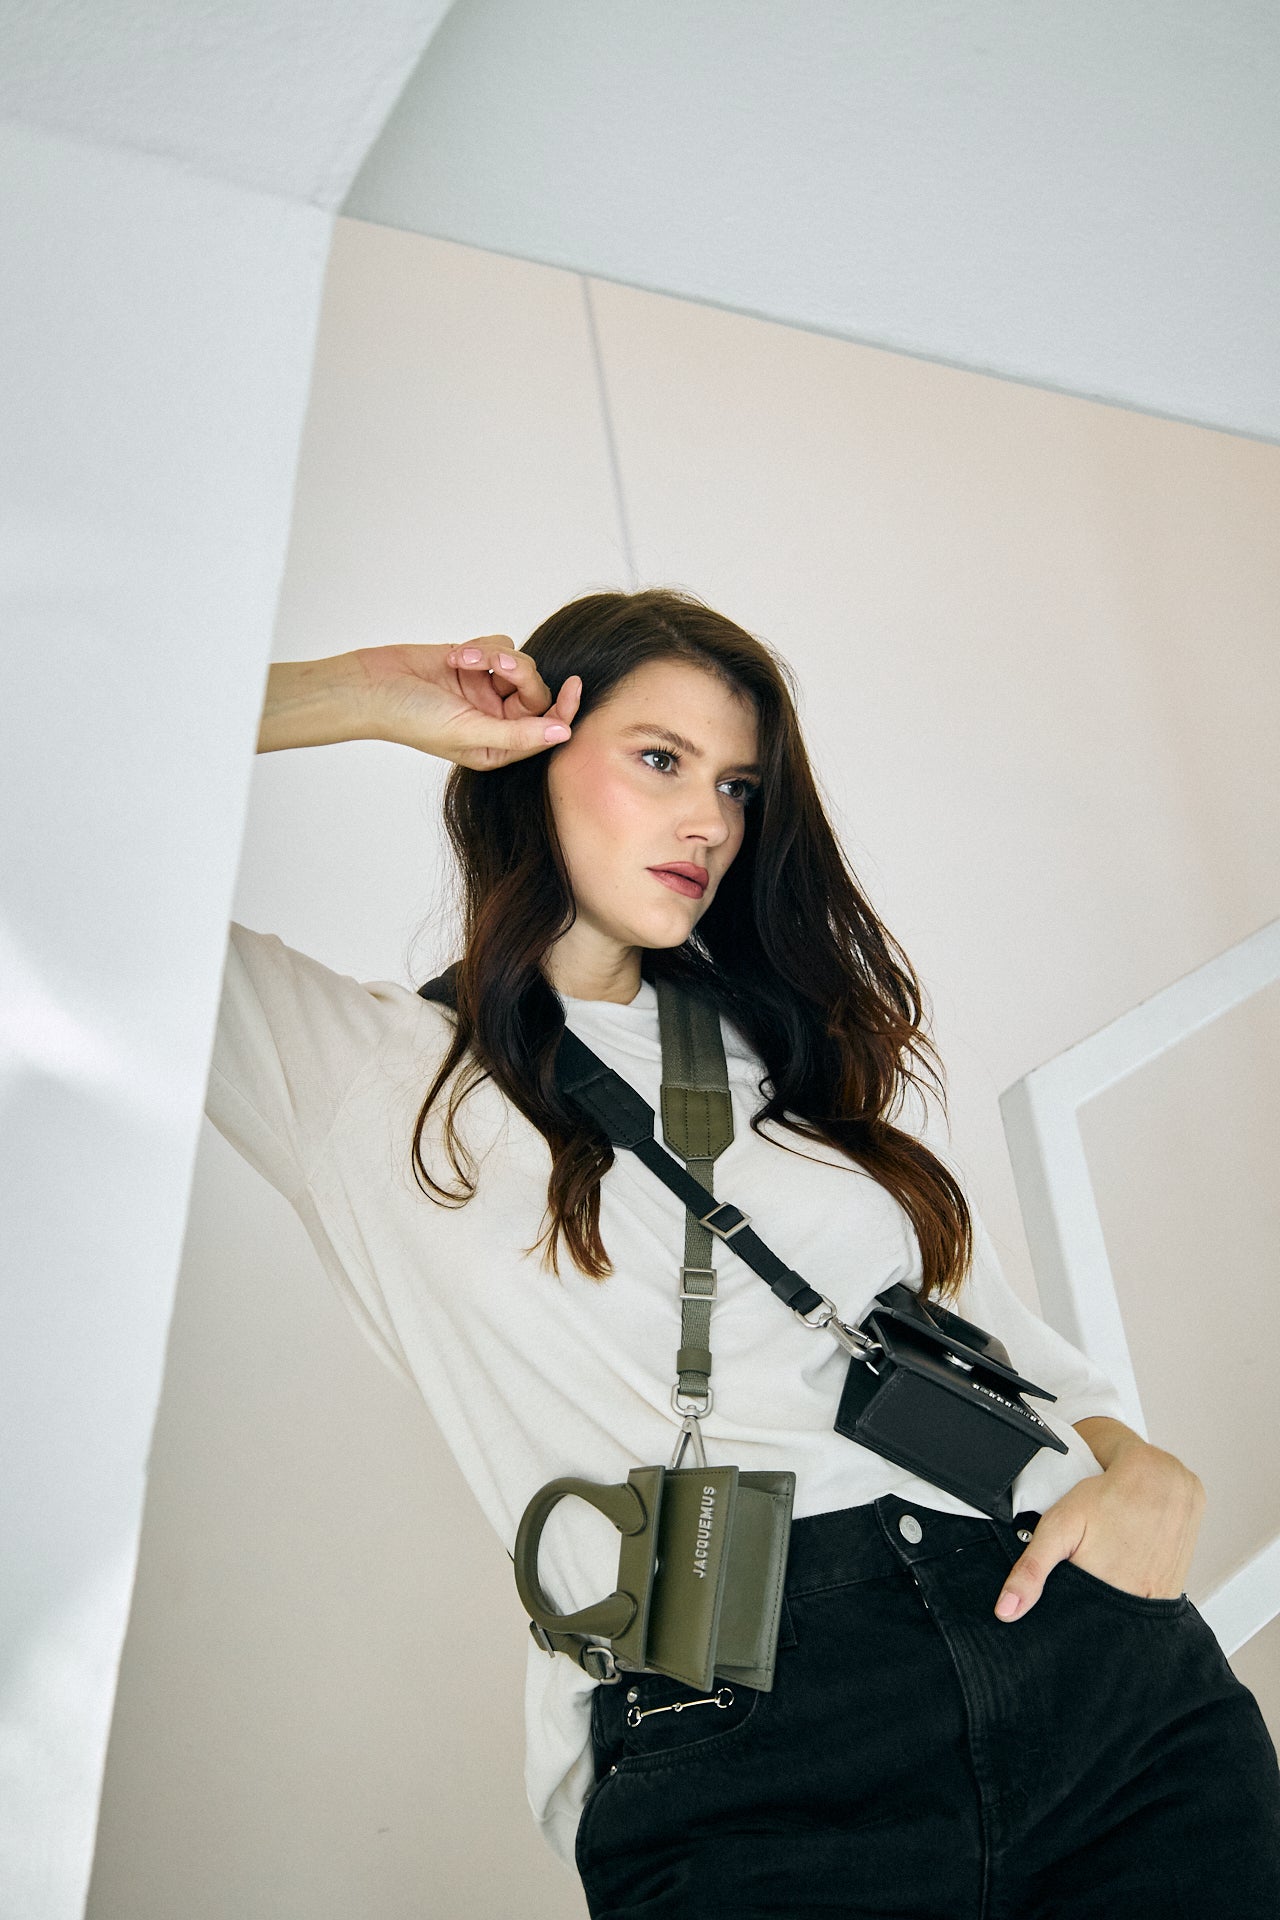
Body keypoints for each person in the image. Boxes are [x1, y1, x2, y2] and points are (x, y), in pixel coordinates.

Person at [207, 587, 1280, 1918]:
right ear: (528, 757)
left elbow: (1001, 1344)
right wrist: (360, 694)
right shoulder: (364, 1073)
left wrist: (1140, 1467)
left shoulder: (786, 1057)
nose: (710, 821)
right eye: (660, 759)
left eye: (736, 786)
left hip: (1099, 1688)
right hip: (741, 1741)